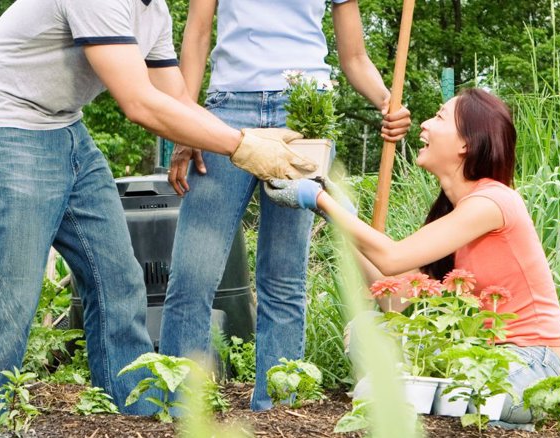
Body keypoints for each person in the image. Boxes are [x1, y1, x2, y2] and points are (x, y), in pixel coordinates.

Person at [0, 0, 319, 430]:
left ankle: (135, 421)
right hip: (1, 123)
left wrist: (255, 137)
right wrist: (242, 146)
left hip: (63, 126)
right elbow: (140, 104)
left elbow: (174, 98)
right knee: (9, 293)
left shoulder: (153, 11)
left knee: (118, 281)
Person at [158, 0, 411, 411]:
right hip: (227, 111)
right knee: (192, 275)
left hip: (304, 113)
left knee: (284, 280)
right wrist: (183, 118)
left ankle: (277, 414)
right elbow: (198, 33)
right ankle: (182, 412)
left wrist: (387, 100)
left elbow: (355, 55)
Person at [265, 88, 560, 427]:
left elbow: (392, 257)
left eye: (438, 117)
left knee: (429, 392)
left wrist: (323, 202)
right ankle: (474, 414)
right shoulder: (453, 214)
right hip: (476, 360)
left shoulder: (493, 202)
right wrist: (341, 218)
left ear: (466, 143)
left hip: (529, 367)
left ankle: (486, 413)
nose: (423, 124)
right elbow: (394, 296)